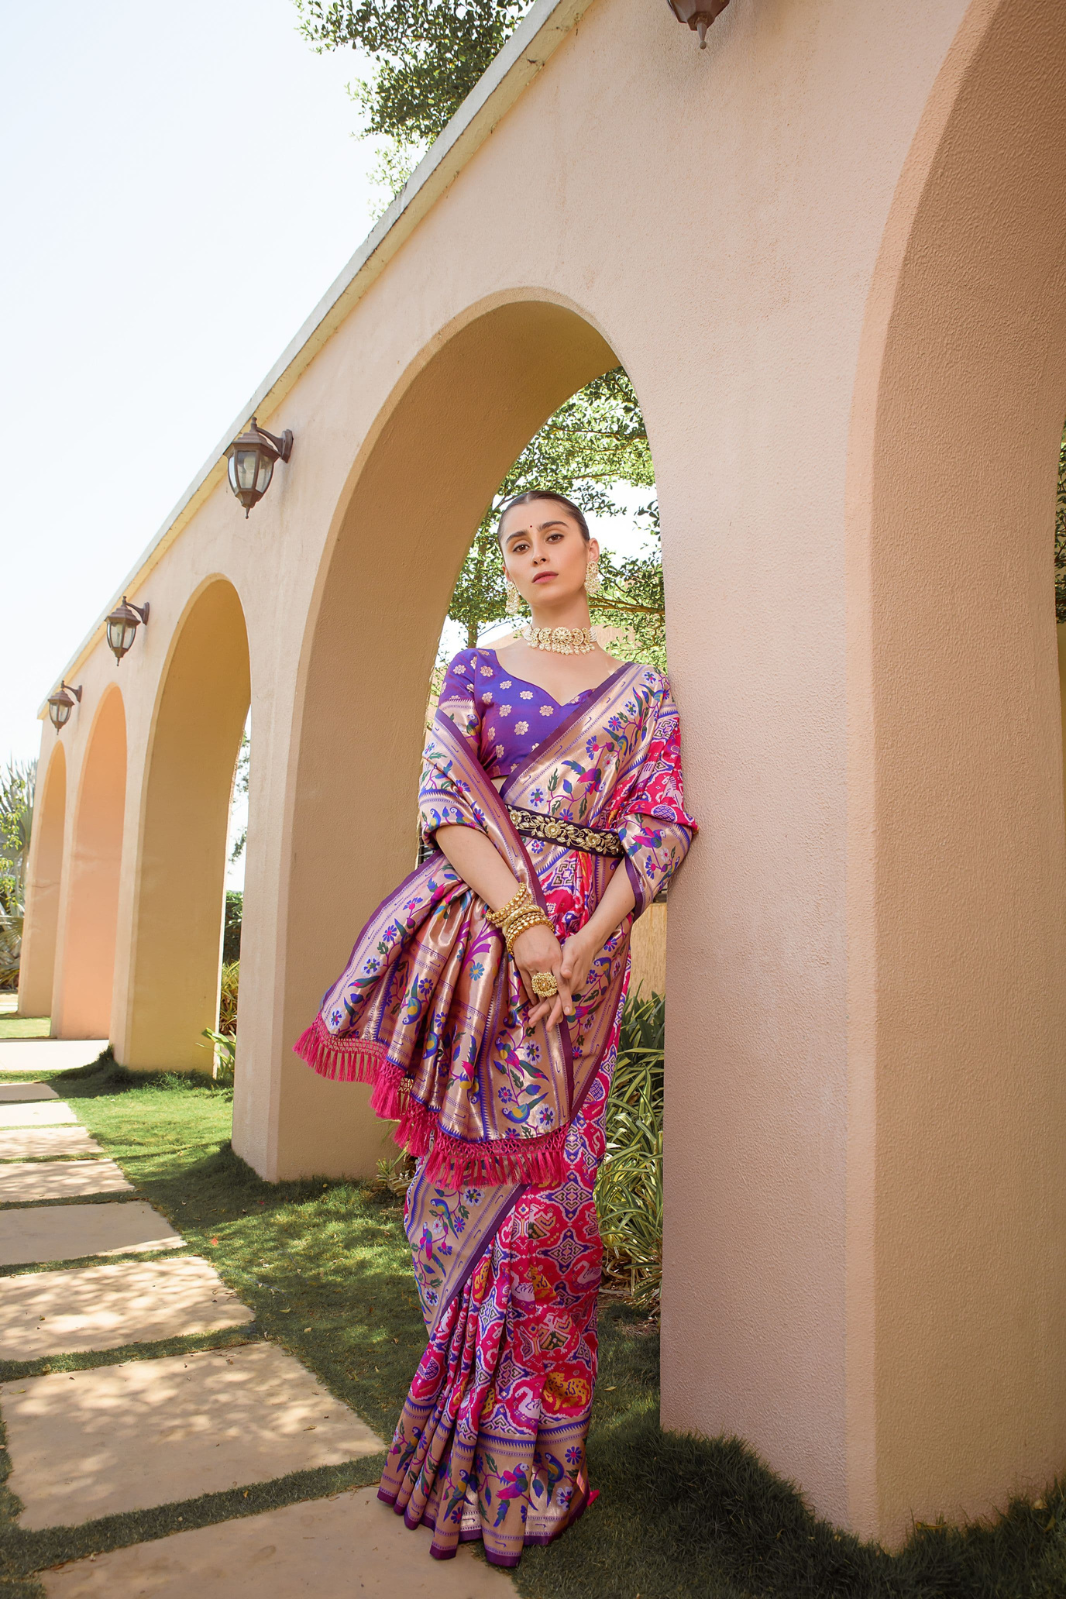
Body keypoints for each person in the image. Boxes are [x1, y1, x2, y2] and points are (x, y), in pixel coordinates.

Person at [296, 489, 696, 1567]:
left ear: (588, 549)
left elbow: (657, 827)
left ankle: (533, 1469)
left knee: (555, 1204)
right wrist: (524, 926)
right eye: (516, 545)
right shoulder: (475, 673)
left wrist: (586, 938)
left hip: (591, 959)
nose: (535, 554)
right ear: (510, 572)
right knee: (463, 1192)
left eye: (551, 535)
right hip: (481, 951)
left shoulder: (643, 692)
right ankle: (458, 1454)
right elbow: (444, 802)